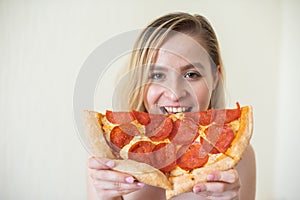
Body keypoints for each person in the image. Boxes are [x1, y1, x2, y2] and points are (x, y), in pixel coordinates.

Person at [87, 12, 256, 200]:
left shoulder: (239, 156)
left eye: (191, 74)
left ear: (215, 77)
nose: (174, 93)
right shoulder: (108, 157)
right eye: (157, 75)